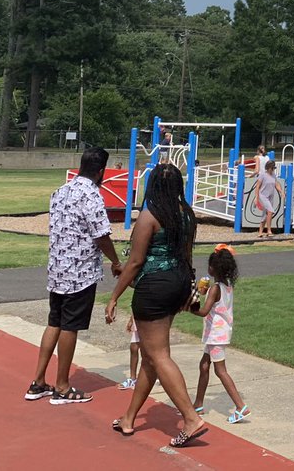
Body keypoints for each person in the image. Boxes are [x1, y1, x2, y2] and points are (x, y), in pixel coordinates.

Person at [105, 163, 206, 447]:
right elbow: (186, 255)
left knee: (159, 355)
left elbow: (136, 262)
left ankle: (190, 418)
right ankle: (129, 418)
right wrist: (189, 288)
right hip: (178, 282)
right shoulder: (187, 214)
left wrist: (114, 297)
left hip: (154, 288)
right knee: (151, 356)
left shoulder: (150, 216)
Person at [25, 146, 122, 405]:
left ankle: (38, 381)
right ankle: (62, 386)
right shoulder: (92, 195)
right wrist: (115, 261)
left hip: (58, 269)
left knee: (54, 322)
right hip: (80, 272)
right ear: (101, 172)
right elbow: (101, 235)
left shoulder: (60, 191)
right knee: (70, 326)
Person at [191, 245, 249, 423]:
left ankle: (240, 407)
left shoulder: (215, 288)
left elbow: (204, 311)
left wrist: (189, 306)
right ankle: (198, 404)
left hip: (216, 335)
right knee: (204, 365)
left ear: (213, 268)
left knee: (220, 370)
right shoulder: (226, 285)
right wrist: (204, 292)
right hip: (216, 333)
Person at [256, 159, 284, 240]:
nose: (273, 170)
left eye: (274, 168)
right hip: (263, 196)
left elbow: (276, 184)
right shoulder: (263, 175)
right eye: (272, 168)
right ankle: (269, 230)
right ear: (268, 168)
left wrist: (281, 191)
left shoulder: (273, 175)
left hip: (270, 196)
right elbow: (257, 187)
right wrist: (257, 198)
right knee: (270, 211)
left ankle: (260, 232)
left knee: (265, 214)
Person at [118, 314, 140, 390]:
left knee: (149, 349)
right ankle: (132, 378)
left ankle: (156, 374)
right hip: (139, 317)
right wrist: (131, 320)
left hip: (149, 318)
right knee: (133, 347)